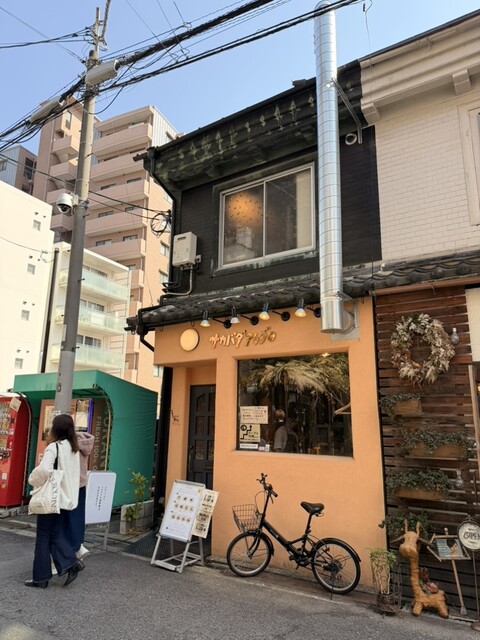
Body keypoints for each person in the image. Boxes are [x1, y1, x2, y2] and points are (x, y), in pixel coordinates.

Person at [25, 414, 83, 588]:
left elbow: (44, 470)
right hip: (66, 499)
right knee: (55, 534)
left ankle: (41, 578)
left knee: (43, 537)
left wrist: (32, 479)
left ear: (55, 428)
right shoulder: (73, 449)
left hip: (51, 499)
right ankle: (71, 563)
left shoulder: (54, 447)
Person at [64, 431, 95, 560]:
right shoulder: (84, 443)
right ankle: (78, 545)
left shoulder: (68, 444)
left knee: (65, 519)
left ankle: (71, 551)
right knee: (78, 516)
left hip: (68, 485)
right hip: (81, 485)